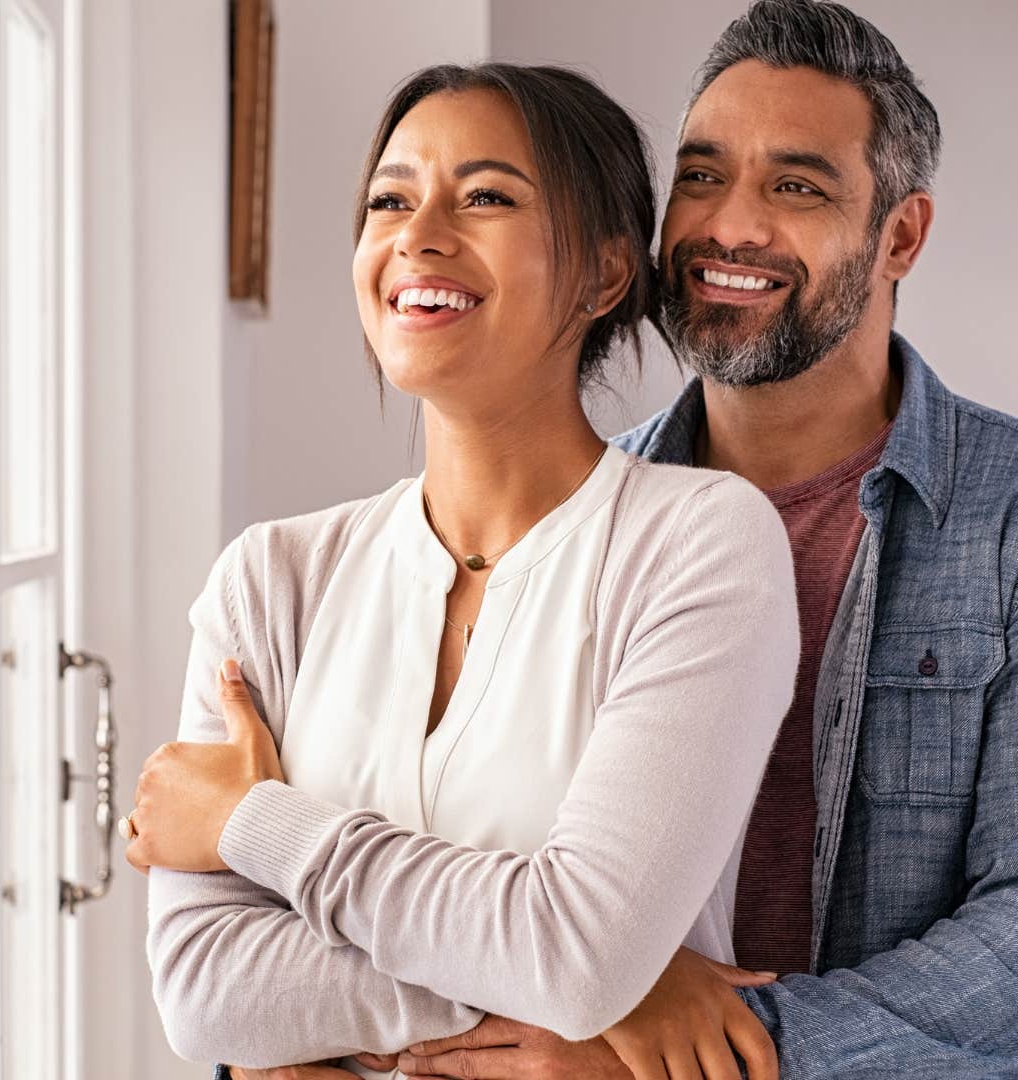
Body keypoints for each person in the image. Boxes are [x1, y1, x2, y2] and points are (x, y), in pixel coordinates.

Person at [386, 2, 1018, 1077]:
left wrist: (721, 1054)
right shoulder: (570, 512)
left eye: (796, 187)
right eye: (702, 177)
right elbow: (467, 855)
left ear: (900, 235)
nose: (730, 226)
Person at [128, 63, 802, 1080]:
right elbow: (204, 993)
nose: (418, 234)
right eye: (389, 200)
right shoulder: (268, 581)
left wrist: (248, 825)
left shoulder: (701, 546)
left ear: (605, 275)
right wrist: (607, 983)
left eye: (485, 196)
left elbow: (578, 953)